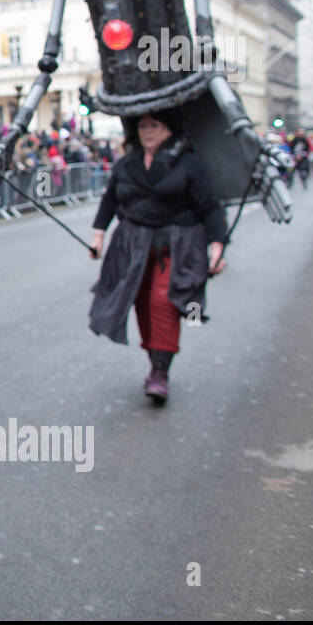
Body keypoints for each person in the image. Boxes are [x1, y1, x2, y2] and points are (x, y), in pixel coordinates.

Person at [89, 109, 227, 404]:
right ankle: (155, 360)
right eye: (143, 126)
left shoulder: (188, 163)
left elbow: (210, 206)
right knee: (139, 302)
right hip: (132, 244)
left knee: (162, 302)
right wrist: (98, 235)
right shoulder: (127, 163)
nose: (147, 131)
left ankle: (160, 372)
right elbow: (110, 200)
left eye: (154, 125)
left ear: (168, 130)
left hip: (177, 244)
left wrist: (217, 245)